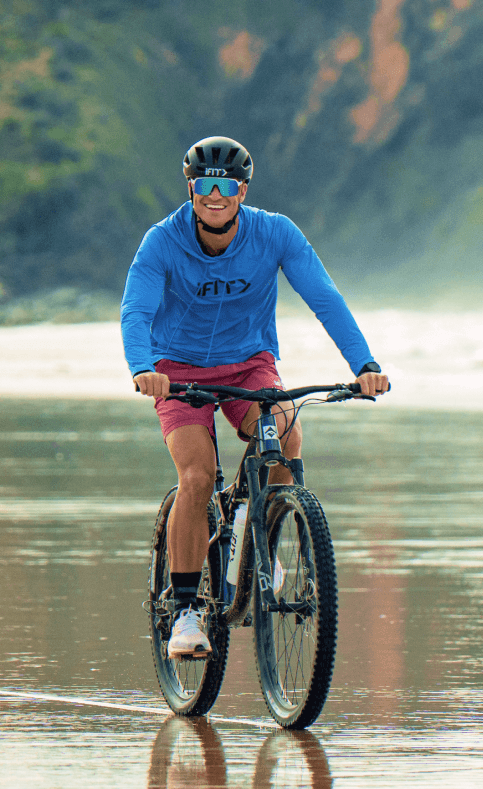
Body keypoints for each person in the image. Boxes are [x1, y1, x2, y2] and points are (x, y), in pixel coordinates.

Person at [120, 136, 389, 659]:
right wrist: (144, 368)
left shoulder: (275, 234)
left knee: (286, 429)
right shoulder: (161, 242)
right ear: (191, 187)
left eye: (227, 186)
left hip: (250, 364)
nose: (215, 196)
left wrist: (365, 366)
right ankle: (185, 613)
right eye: (204, 185)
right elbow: (136, 311)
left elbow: (325, 299)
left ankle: (256, 531)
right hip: (176, 370)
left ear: (243, 190)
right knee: (197, 475)